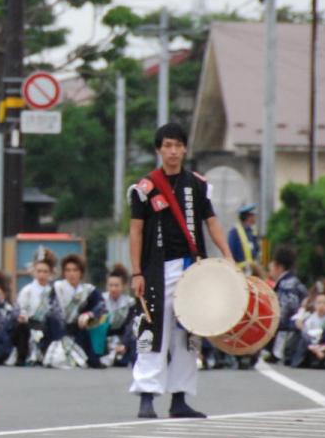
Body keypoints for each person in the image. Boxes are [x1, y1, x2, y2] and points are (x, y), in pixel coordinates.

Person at [128, 122, 234, 420]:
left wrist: (227, 255)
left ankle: (180, 399)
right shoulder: (143, 188)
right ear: (159, 150)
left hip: (192, 268)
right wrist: (137, 272)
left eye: (178, 145)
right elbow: (135, 231)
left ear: (185, 148)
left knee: (188, 334)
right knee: (152, 330)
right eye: (167, 146)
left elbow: (211, 222)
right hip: (155, 269)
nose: (173, 151)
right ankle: (146, 397)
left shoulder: (198, 185)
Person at [51, 254, 106, 369]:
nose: (71, 273)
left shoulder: (88, 290)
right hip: (59, 331)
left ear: (81, 272)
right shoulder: (57, 288)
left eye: (75, 270)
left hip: (80, 329)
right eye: (68, 270)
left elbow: (101, 305)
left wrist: (89, 315)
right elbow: (53, 311)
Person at [264, 246, 307, 364]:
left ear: (279, 266)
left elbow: (283, 314)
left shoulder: (285, 285)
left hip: (288, 332)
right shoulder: (296, 282)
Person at [14, 257, 54, 366]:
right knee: (21, 327)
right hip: (30, 322)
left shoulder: (53, 291)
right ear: (34, 273)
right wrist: (22, 316)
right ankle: (22, 357)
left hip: (46, 324)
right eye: (39, 271)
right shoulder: (27, 290)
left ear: (50, 273)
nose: (42, 275)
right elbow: (20, 308)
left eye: (45, 272)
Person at [100, 265, 137, 368]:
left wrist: (124, 343)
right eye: (110, 285)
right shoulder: (101, 300)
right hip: (105, 335)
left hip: (122, 336)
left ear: (124, 286)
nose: (113, 288)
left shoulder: (130, 302)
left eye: (116, 285)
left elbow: (130, 326)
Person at [229, 204, 260, 272]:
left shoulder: (252, 231)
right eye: (253, 215)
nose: (255, 217)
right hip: (240, 271)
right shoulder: (234, 232)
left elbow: (257, 250)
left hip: (252, 271)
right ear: (248, 217)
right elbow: (230, 252)